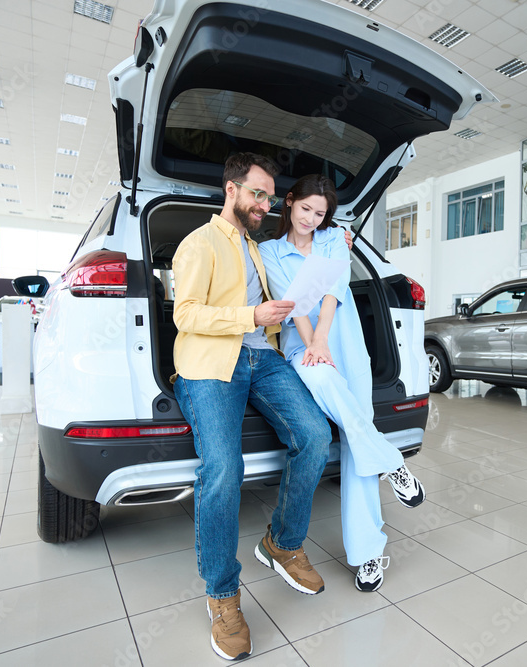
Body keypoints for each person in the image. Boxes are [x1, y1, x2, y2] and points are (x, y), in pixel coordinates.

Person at [171, 153, 332, 661]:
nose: (265, 203)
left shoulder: (256, 248)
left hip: (263, 356)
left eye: (269, 195)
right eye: (257, 193)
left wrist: (279, 315)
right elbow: (185, 313)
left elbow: (303, 244)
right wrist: (250, 314)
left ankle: (282, 542)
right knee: (223, 467)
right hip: (211, 365)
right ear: (232, 189)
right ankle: (223, 595)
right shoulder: (198, 244)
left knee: (316, 436)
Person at [259, 174, 425, 594]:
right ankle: (391, 460)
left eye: (320, 213)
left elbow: (331, 293)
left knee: (355, 436)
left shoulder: (334, 238)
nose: (312, 220)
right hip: (302, 345)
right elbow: (289, 301)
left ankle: (368, 554)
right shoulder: (269, 251)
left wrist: (324, 338)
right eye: (305, 210)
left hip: (346, 342)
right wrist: (313, 342)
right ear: (289, 202)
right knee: (323, 380)